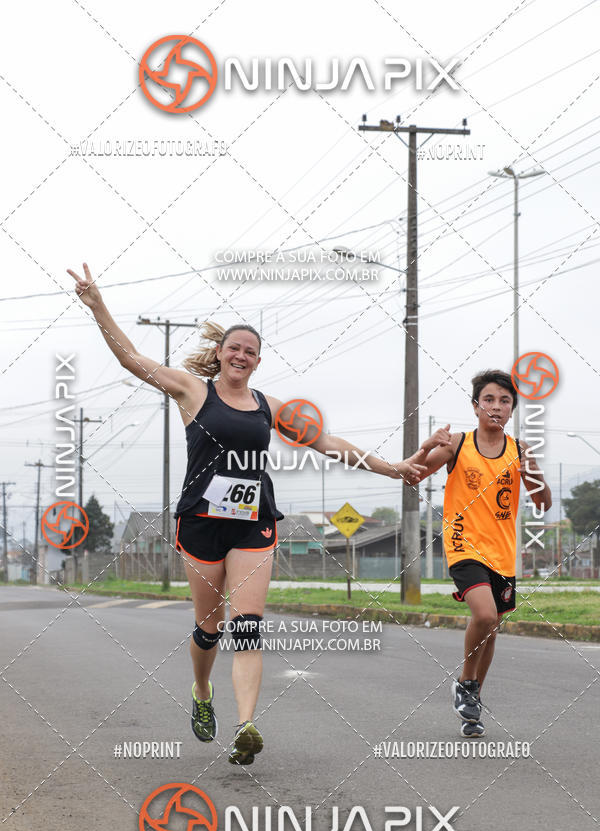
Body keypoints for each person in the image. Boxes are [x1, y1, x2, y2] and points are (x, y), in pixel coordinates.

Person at [67, 263, 442, 765]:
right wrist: (98, 307)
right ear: (220, 354)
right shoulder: (193, 391)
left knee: (247, 625)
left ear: (257, 361)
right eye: (234, 348)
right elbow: (132, 359)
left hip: (253, 524)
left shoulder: (268, 406)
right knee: (209, 628)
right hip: (200, 524)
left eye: (250, 351)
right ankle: (202, 691)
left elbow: (327, 442)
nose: (241, 356)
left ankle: (245, 725)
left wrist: (392, 468)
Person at [416, 370, 552, 737]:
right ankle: (465, 682)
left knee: (492, 629)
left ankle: (471, 697)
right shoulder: (458, 444)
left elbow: (542, 503)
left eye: (504, 401)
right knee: (485, 614)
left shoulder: (519, 450)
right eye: (488, 399)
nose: (496, 406)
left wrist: (534, 472)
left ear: (512, 410)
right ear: (476, 405)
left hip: (503, 553)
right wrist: (428, 446)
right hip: (463, 545)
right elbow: (412, 474)